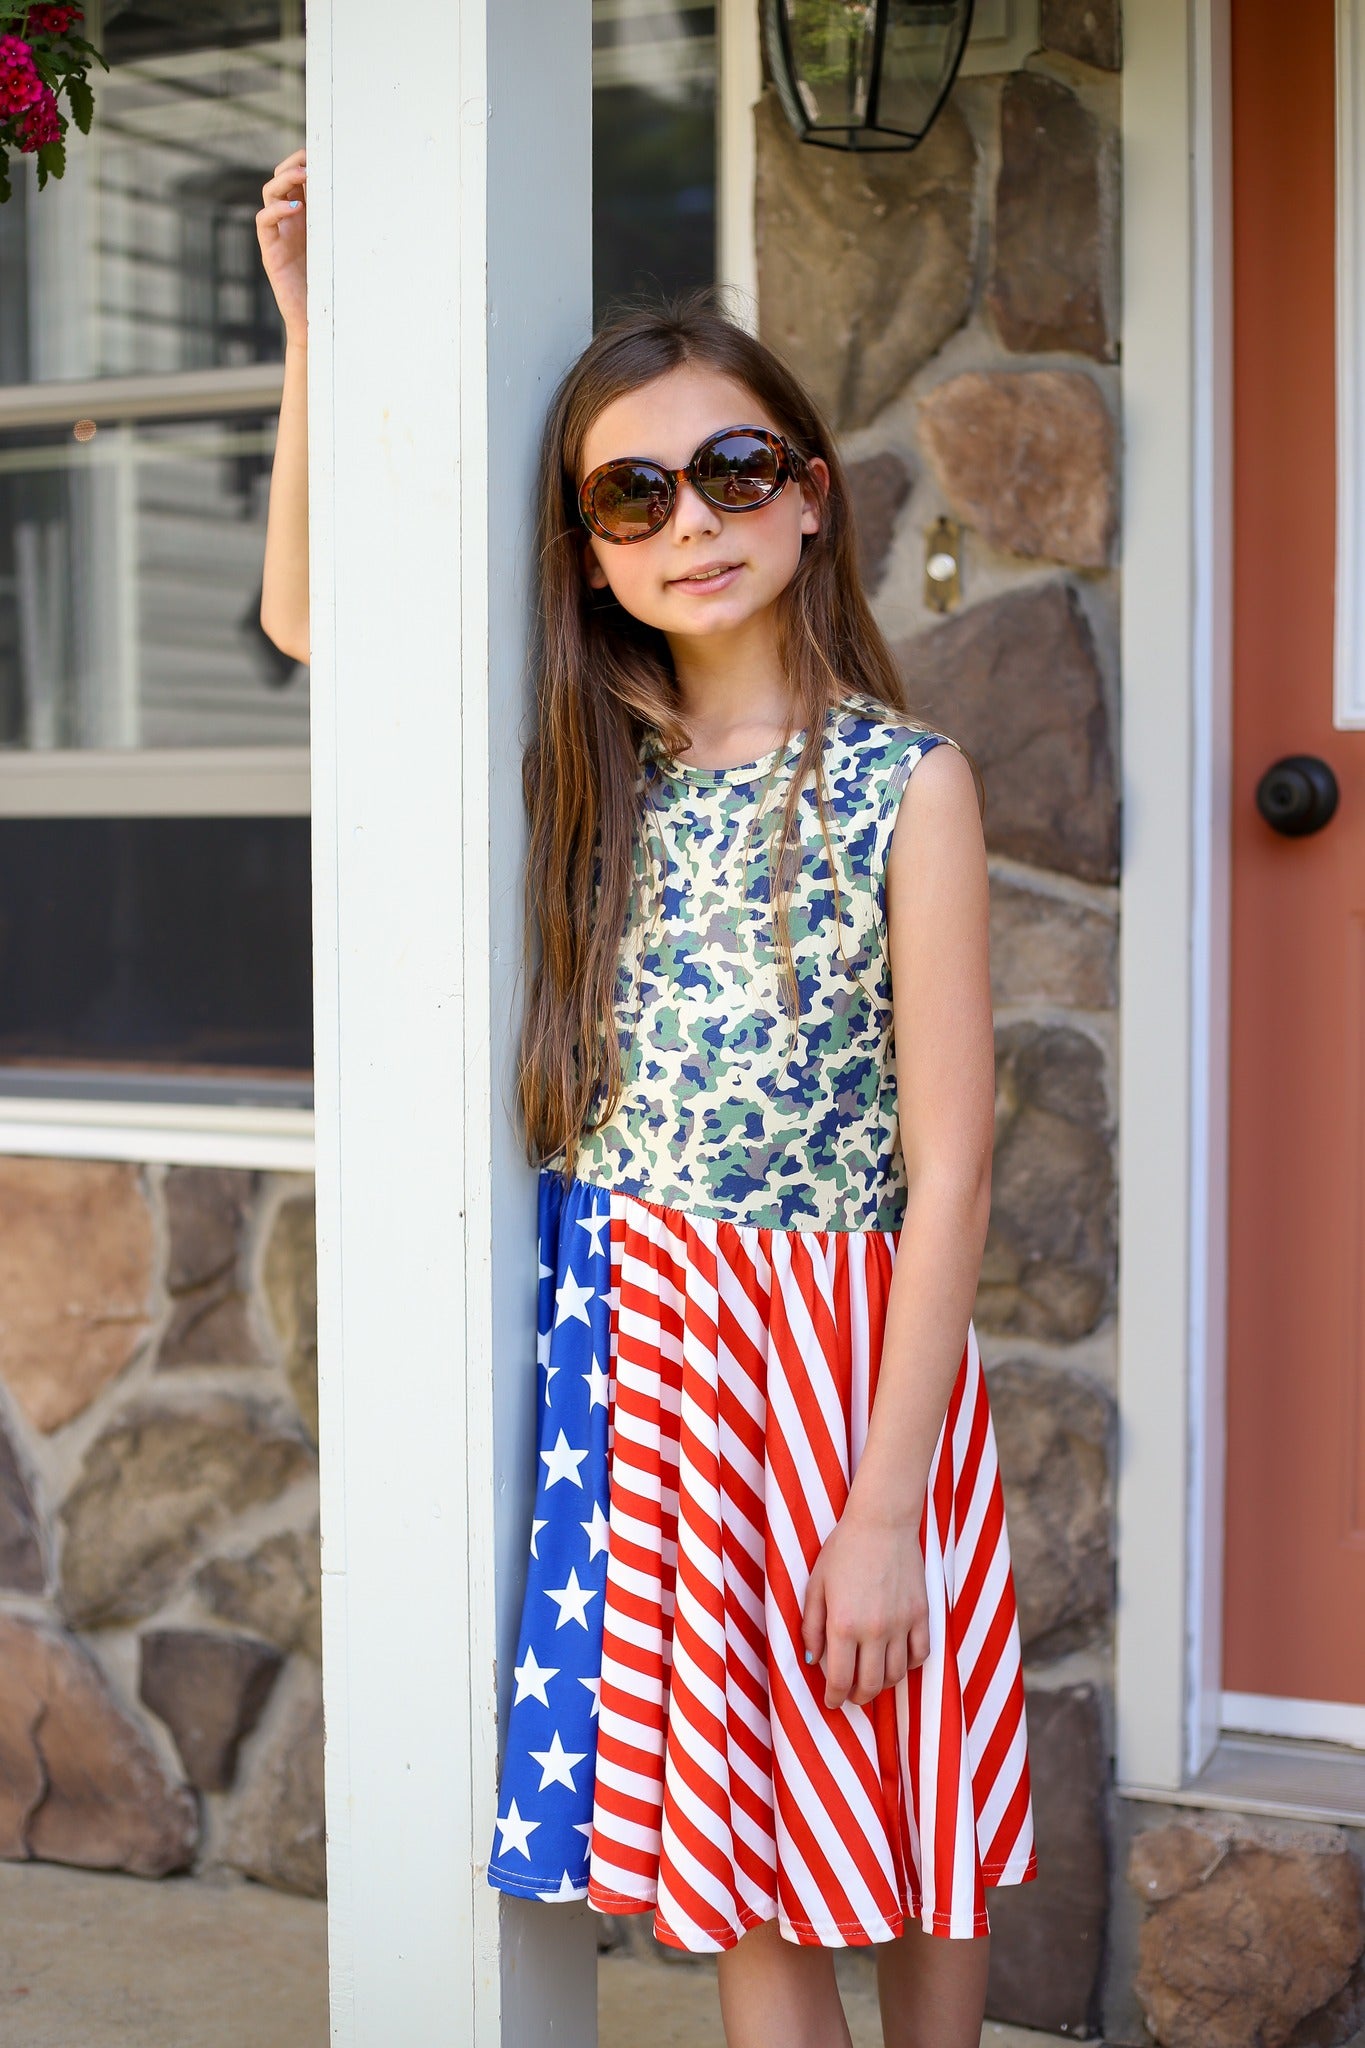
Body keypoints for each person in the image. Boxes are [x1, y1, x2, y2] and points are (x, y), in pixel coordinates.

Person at [255, 146, 1036, 2048]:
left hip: (852, 1364)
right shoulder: (589, 757)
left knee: (911, 1802)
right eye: (630, 492)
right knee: (749, 1869)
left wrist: (880, 1510)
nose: (689, 518)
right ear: (586, 548)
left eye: (731, 470)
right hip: (662, 1354)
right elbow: (308, 622)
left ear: (806, 494)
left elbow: (952, 1168)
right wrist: (309, 340)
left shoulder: (901, 781)